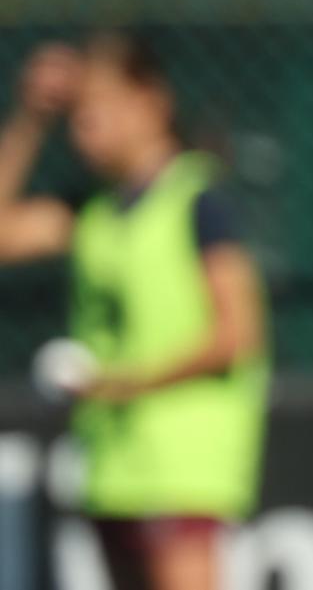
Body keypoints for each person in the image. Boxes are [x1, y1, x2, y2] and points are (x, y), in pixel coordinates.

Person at [0, 35, 269, 590]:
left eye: (96, 112)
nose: (82, 130)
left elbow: (236, 334)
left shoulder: (198, 200)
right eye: (75, 117)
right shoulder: (91, 208)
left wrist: (124, 385)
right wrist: (30, 118)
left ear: (151, 101)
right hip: (112, 465)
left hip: (184, 467)